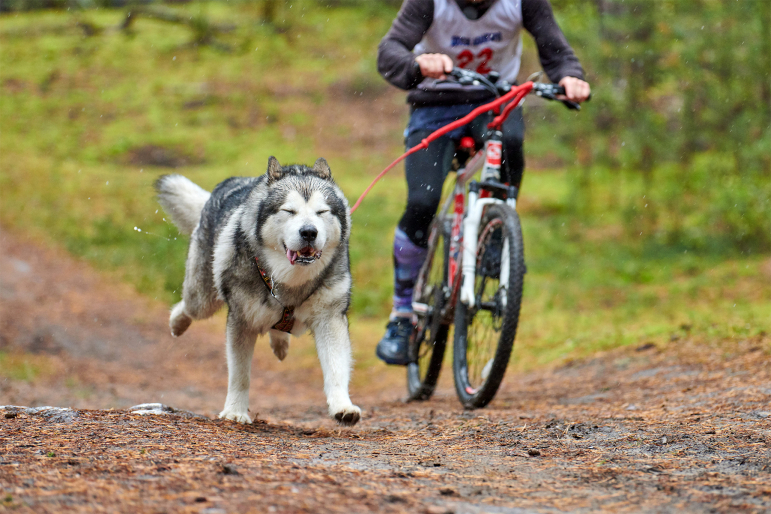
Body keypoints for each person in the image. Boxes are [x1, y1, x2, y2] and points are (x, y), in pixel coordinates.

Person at [375, 0, 591, 365]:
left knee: (511, 142)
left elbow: (556, 49)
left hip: (496, 102)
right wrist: (417, 65)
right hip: (434, 104)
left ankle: (495, 235)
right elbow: (389, 52)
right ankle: (402, 316)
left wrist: (570, 76)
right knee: (423, 204)